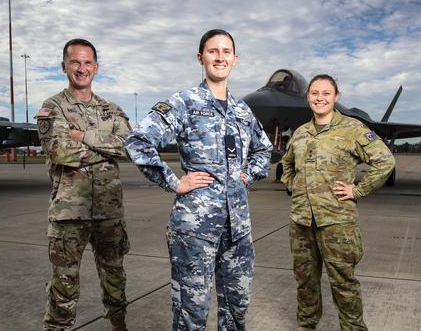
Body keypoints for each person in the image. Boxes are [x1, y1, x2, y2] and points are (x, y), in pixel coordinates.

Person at [125, 29, 272, 330]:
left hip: (237, 230)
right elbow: (138, 140)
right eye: (212, 51)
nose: (220, 57)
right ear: (200, 57)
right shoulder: (185, 102)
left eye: (226, 51)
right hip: (195, 229)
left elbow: (264, 148)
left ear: (235, 58)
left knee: (236, 309)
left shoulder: (243, 110)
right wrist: (174, 182)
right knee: (191, 313)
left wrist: (248, 175)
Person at [281, 74, 396, 331]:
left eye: (326, 93)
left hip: (337, 222)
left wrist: (358, 190)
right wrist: (294, 185)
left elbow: (385, 161)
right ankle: (306, 325)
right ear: (308, 97)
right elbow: (286, 165)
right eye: (314, 93)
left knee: (344, 284)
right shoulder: (301, 133)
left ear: (336, 97)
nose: (319, 98)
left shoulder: (352, 129)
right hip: (301, 222)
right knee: (305, 281)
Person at [36, 38, 131, 331]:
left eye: (87, 62)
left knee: (114, 276)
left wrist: (82, 136)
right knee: (64, 282)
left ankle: (119, 326)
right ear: (64, 66)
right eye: (75, 62)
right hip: (69, 213)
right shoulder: (52, 107)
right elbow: (60, 151)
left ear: (96, 68)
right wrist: (105, 147)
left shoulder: (111, 109)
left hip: (108, 211)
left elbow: (129, 147)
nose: (81, 68)